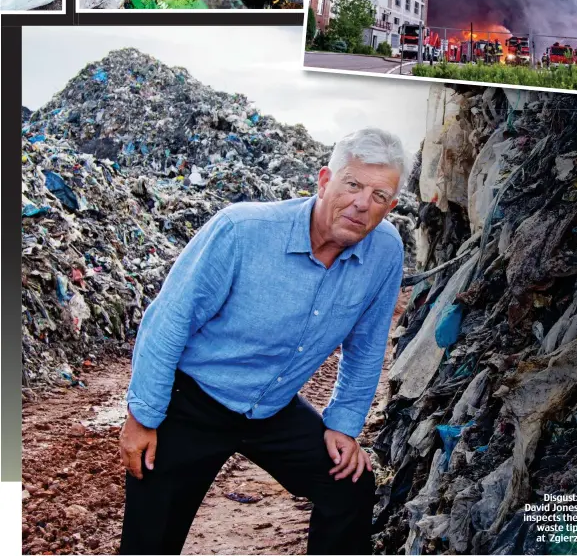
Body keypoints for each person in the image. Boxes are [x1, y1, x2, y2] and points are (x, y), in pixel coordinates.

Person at [118, 127, 411, 555]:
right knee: (151, 540)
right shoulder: (242, 230)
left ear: (392, 206)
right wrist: (142, 416)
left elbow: (367, 346)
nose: (363, 204)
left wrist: (344, 426)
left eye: (380, 196)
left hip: (272, 407)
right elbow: (169, 321)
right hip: (192, 401)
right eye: (352, 185)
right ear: (325, 180)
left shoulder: (385, 252)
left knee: (349, 483)